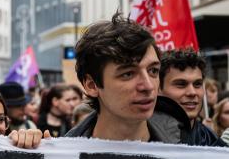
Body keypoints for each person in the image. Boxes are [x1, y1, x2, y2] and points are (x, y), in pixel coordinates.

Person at [66, 13, 191, 143]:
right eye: (128, 74)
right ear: (92, 85)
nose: (148, 86)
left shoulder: (189, 146)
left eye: (153, 70)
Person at [159, 49, 225, 147]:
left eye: (197, 84)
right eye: (181, 84)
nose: (192, 92)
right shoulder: (142, 135)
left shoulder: (213, 142)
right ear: (158, 89)